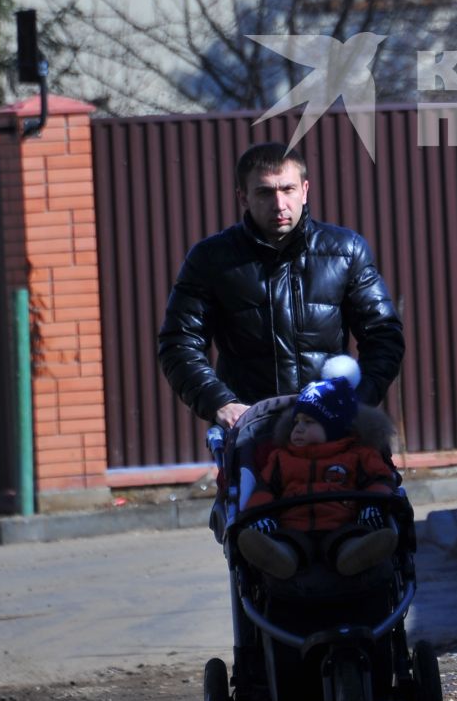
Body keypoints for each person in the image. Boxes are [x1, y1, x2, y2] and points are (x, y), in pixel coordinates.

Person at [159, 142, 404, 429]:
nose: (279, 204)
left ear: (305, 190)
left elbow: (383, 334)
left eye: (288, 189)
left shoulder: (346, 250)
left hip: (332, 425)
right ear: (243, 197)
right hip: (252, 429)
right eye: (264, 192)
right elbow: (179, 342)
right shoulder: (211, 259)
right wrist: (220, 403)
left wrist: (356, 401)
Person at [235, 373, 400, 580]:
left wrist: (372, 505)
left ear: (334, 428)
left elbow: (380, 479)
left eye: (309, 422)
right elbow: (263, 489)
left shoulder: (358, 455)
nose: (298, 429)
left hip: (342, 523)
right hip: (293, 526)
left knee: (349, 537)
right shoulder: (281, 458)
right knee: (287, 542)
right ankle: (279, 556)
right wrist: (261, 516)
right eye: (296, 422)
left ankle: (356, 553)